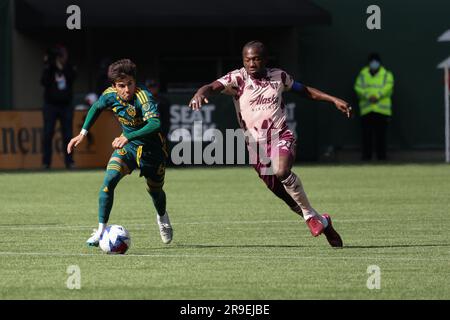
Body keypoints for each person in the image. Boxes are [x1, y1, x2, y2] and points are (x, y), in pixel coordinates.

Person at [189, 41, 351, 247]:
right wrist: (200, 93)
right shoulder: (237, 79)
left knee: (282, 171)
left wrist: (333, 99)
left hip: (281, 136)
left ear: (265, 60)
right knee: (286, 197)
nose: (251, 63)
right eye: (247, 59)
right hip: (256, 147)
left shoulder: (279, 77)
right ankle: (323, 222)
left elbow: (305, 91)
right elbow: (212, 87)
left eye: (256, 59)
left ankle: (310, 216)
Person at [67, 59, 173, 246]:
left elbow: (155, 124)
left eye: (130, 84)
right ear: (114, 86)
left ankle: (162, 217)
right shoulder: (110, 95)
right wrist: (82, 134)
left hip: (152, 151)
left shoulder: (143, 97)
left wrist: (128, 136)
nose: (126, 90)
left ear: (135, 82)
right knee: (109, 181)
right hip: (128, 149)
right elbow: (97, 107)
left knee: (155, 192)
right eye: (121, 86)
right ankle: (100, 231)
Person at [41, 44, 77, 169]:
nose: (62, 57)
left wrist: (62, 67)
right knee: (47, 133)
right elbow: (43, 81)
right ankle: (46, 163)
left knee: (67, 134)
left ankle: (70, 161)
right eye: (60, 55)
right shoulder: (50, 67)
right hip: (50, 105)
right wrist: (50, 65)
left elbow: (72, 78)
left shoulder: (69, 67)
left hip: (66, 105)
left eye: (63, 54)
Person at [354, 53, 394, 161]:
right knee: (367, 136)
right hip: (366, 110)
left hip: (382, 111)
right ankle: (366, 158)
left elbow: (388, 87)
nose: (374, 64)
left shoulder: (386, 74)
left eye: (376, 61)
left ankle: (382, 157)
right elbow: (358, 87)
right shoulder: (363, 74)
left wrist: (377, 96)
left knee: (381, 136)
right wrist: (368, 96)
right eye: (372, 61)